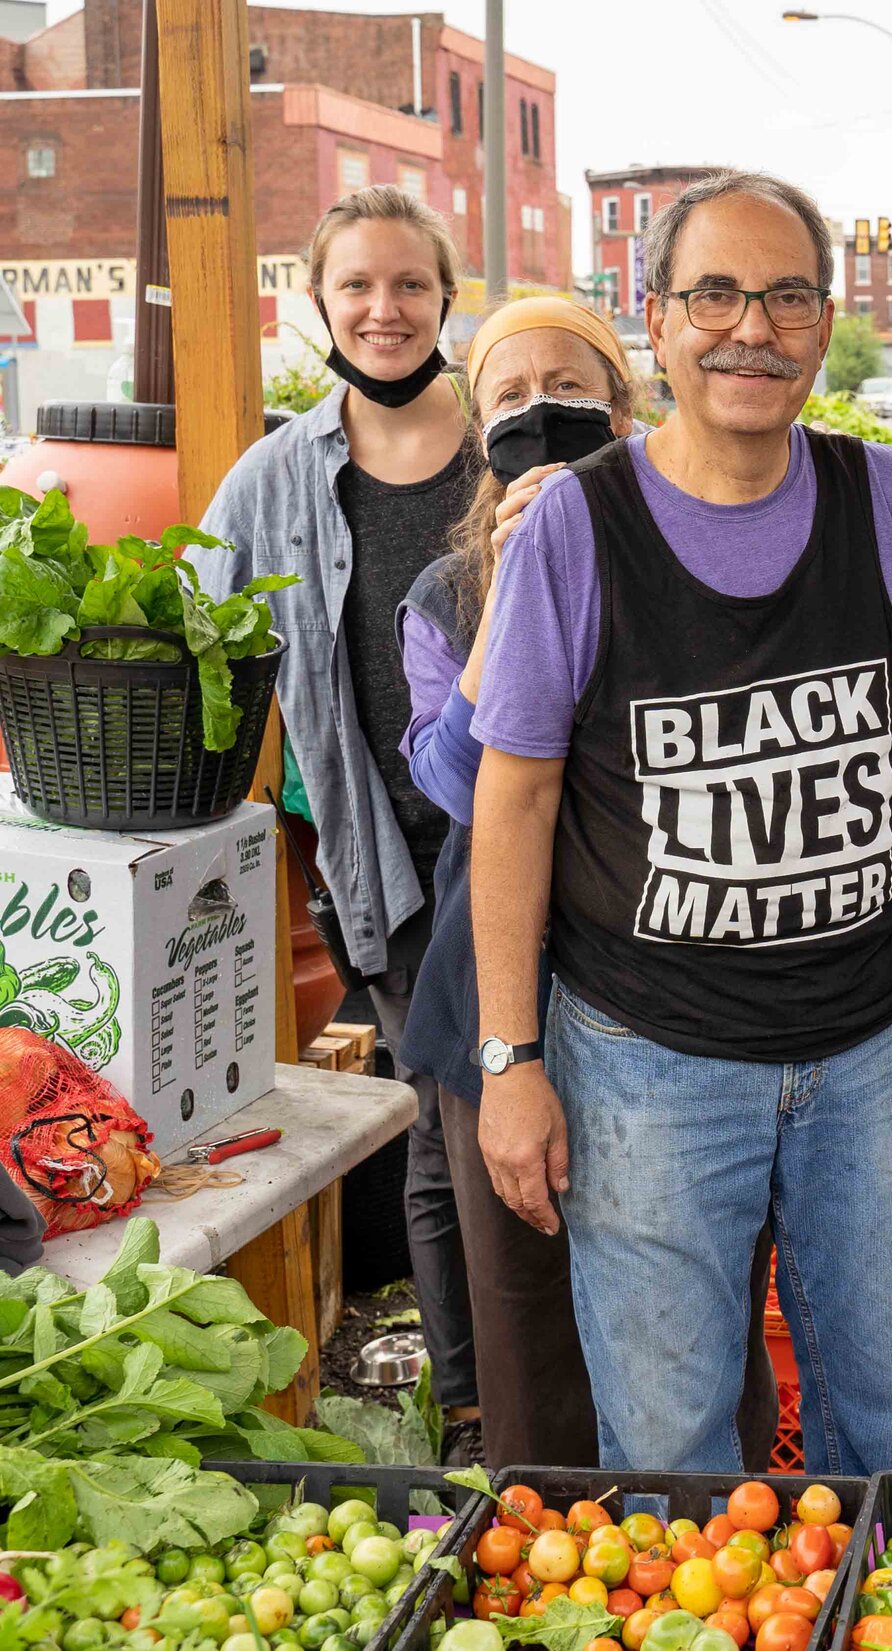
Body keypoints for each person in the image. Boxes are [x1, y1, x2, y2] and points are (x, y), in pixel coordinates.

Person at [465, 169, 892, 1473]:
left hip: (864, 1045)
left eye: (785, 296)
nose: (751, 328)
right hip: (647, 1058)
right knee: (669, 1435)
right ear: (654, 319)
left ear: (824, 323)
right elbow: (516, 794)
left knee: (887, 1408)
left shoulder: (887, 498)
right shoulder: (577, 527)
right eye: (713, 293)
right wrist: (510, 1062)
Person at [392, 295, 780, 1470]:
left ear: (624, 408)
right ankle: (547, 1552)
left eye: (569, 389)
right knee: (524, 1301)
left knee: (698, 1281)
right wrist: (515, 590)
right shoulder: (443, 596)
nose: (538, 413)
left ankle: (733, 1535)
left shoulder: (700, 559)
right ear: (475, 431)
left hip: (680, 984)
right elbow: (457, 784)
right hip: (500, 996)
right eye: (508, 396)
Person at [198, 185, 483, 1462]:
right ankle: (475, 1395)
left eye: (409, 285)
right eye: (357, 286)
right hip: (390, 861)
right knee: (445, 1120)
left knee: (553, 1104)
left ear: (445, 297)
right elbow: (191, 631)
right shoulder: (272, 478)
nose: (384, 308)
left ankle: (545, 1369)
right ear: (317, 300)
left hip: (531, 836)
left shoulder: (509, 448)